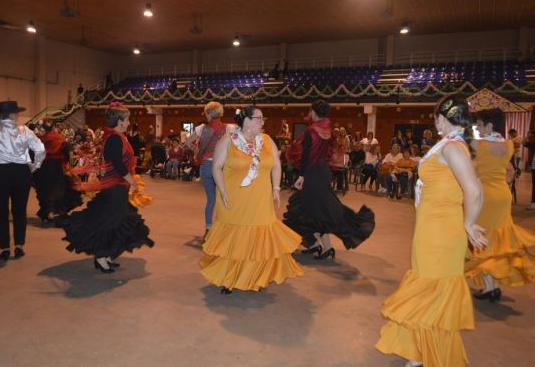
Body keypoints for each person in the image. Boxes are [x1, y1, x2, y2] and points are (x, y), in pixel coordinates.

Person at [376, 96, 488, 367]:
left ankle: (433, 356)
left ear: (444, 117)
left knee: (433, 292)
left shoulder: (453, 148)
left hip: (441, 231)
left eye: (436, 115)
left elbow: (475, 190)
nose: (434, 120)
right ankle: (420, 352)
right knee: (427, 290)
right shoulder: (449, 145)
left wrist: (468, 223)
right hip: (431, 228)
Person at [200, 106, 303, 294]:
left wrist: (276, 188)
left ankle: (255, 277)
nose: (263, 122)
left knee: (259, 241)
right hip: (234, 200)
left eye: (263, 118)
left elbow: (276, 165)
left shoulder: (266, 140)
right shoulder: (228, 141)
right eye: (259, 118)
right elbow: (216, 167)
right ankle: (229, 278)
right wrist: (221, 191)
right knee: (235, 241)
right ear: (246, 120)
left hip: (260, 200)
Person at [61, 103, 154, 273]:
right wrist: (132, 182)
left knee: (117, 220)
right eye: (126, 119)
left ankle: (107, 254)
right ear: (119, 121)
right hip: (114, 187)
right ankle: (101, 257)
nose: (128, 122)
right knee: (109, 221)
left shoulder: (116, 136)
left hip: (117, 186)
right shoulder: (114, 138)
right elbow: (118, 165)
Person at [283, 100, 375, 259]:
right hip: (323, 173)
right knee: (316, 210)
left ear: (313, 112)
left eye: (310, 110)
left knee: (306, 209)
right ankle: (322, 247)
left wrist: (301, 176)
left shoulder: (310, 131)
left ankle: (317, 244)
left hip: (312, 174)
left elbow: (305, 157)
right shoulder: (328, 131)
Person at [465, 109, 535, 301]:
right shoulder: (509, 145)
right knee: (497, 241)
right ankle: (491, 286)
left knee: (482, 240)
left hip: (484, 197)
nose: (477, 129)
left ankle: (490, 286)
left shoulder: (478, 144)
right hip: (503, 196)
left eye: (479, 125)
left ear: (490, 125)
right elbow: (511, 170)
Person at [0, 101, 46, 260]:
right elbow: (40, 149)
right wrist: (34, 166)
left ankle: (5, 248)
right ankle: (19, 246)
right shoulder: (24, 130)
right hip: (21, 172)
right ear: (13, 114)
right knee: (19, 211)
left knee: (0, 212)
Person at [183, 102, 236, 238]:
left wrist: (198, 151)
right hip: (222, 168)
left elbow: (187, 143)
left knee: (211, 199)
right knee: (224, 197)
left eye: (205, 113)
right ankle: (223, 229)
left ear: (209, 114)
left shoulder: (201, 128)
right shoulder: (230, 128)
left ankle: (208, 229)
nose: (205, 116)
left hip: (206, 167)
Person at [33, 120, 81, 227]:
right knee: (57, 191)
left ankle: (48, 213)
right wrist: (70, 163)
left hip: (42, 168)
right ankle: (55, 212)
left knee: (44, 191)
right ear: (54, 127)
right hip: (56, 168)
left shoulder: (39, 140)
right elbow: (69, 153)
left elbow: (33, 154)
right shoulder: (59, 139)